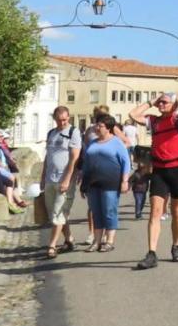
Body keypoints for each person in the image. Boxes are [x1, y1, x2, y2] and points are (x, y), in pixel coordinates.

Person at [128, 92, 178, 269]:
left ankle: (176, 246)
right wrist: (152, 100)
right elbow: (133, 115)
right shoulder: (154, 121)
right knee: (155, 212)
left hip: (177, 168)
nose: (161, 105)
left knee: (177, 212)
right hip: (159, 170)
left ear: (172, 105)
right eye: (160, 103)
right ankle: (151, 254)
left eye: (164, 103)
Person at [81, 114, 131, 252]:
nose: (97, 128)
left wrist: (125, 181)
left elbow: (126, 162)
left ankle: (109, 241)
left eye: (100, 125)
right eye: (96, 125)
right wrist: (83, 180)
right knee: (96, 212)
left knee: (109, 211)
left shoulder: (116, 142)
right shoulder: (93, 143)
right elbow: (86, 162)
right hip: (92, 182)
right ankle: (97, 241)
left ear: (108, 128)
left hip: (110, 182)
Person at [39, 106, 81, 259]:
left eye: (65, 119)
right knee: (55, 214)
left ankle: (52, 246)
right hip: (50, 178)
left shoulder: (73, 132)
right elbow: (48, 156)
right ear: (55, 119)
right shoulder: (51, 133)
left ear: (68, 117)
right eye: (59, 120)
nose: (63, 122)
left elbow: (74, 158)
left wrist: (67, 179)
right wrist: (43, 177)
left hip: (64, 179)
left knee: (58, 213)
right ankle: (69, 239)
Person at [0, 130, 27, 211]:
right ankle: (12, 203)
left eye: (1, 137)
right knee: (4, 187)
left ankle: (12, 202)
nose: (0, 138)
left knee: (10, 182)